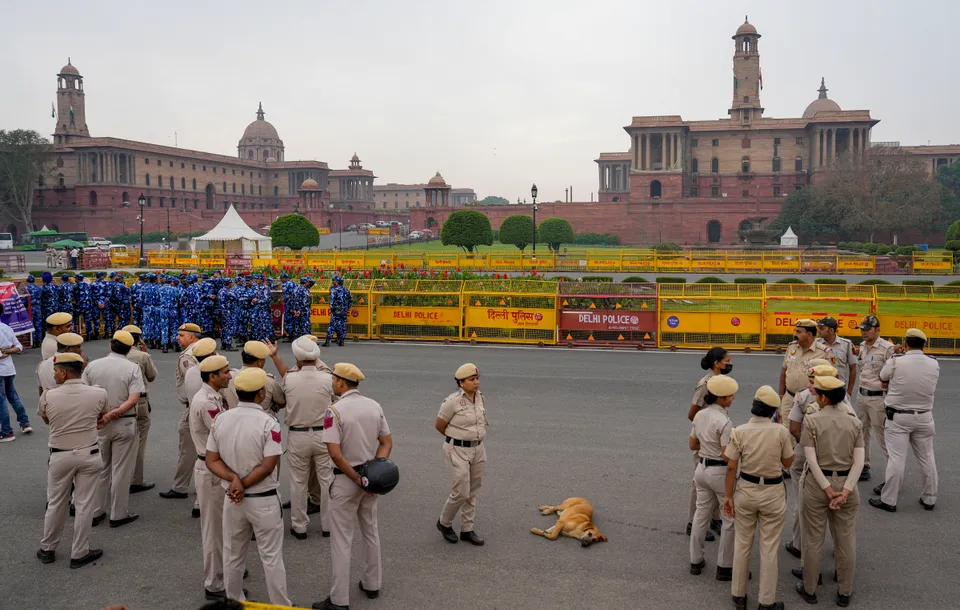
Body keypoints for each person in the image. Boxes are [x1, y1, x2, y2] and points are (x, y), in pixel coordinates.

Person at [205, 367, 291, 606]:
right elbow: (268, 465)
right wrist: (241, 483)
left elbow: (211, 460)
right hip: (262, 499)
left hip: (232, 499)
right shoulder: (269, 423)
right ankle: (280, 605)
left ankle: (234, 602)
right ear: (261, 392)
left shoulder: (221, 419)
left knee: (233, 554)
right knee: (271, 557)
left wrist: (233, 482)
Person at [315, 363, 392, 610]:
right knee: (370, 531)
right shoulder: (373, 405)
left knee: (341, 540)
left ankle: (339, 600)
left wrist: (358, 479)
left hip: (345, 479)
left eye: (334, 379)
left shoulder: (334, 411)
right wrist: (374, 473)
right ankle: (372, 584)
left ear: (340, 383)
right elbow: (386, 442)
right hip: (370, 478)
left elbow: (335, 454)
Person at [722, 386, 794, 610]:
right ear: (773, 411)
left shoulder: (739, 431)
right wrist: (779, 423)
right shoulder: (781, 431)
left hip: (746, 490)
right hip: (772, 492)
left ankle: (739, 595)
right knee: (769, 548)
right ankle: (766, 601)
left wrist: (727, 496)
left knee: (743, 544)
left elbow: (731, 466)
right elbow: (788, 463)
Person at [797, 376, 865, 607]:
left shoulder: (813, 420)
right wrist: (844, 491)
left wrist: (826, 489)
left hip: (818, 484)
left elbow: (811, 460)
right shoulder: (854, 422)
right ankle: (844, 592)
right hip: (846, 480)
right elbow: (859, 462)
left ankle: (810, 589)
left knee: (813, 539)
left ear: (824, 397)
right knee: (845, 539)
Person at [35, 352, 108, 568]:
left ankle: (48, 548)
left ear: (64, 372)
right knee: (84, 504)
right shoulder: (99, 393)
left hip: (60, 455)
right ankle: (80, 552)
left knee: (56, 502)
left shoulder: (48, 396)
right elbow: (100, 417)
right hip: (89, 453)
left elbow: (48, 420)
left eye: (56, 371)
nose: (54, 374)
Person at [785, 361, 852, 558]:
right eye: (810, 380)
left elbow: (794, 428)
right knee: (838, 508)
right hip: (835, 457)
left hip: (806, 455)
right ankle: (840, 551)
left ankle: (800, 545)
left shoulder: (802, 397)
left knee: (803, 500)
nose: (809, 385)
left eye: (813, 381)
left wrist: (807, 445)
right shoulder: (843, 399)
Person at [870, 328, 940, 512]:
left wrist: (895, 356)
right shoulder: (933, 363)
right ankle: (930, 498)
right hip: (924, 415)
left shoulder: (895, 361)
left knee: (896, 459)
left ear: (906, 343)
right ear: (923, 345)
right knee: (927, 458)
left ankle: (889, 499)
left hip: (899, 416)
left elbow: (882, 377)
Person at [84, 330, 145, 527]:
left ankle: (96, 511)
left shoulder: (93, 365)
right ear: (129, 349)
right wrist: (114, 412)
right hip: (124, 421)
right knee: (121, 470)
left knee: (100, 469)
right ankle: (118, 514)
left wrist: (104, 415)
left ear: (111, 345)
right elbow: (134, 398)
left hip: (99, 422)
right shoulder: (132, 367)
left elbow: (85, 393)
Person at [282, 336, 335, 539]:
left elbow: (281, 398)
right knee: (327, 481)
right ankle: (328, 526)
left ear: (297, 357)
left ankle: (299, 526)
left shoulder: (289, 378)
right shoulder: (328, 378)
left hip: (298, 435)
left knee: (298, 482)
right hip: (324, 434)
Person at [189, 354, 232, 600]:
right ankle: (215, 584)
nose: (229, 375)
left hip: (215, 467)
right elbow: (223, 433)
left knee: (224, 526)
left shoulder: (214, 396)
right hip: (211, 469)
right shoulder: (206, 402)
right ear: (212, 376)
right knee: (214, 530)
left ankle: (225, 571)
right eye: (225, 372)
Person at [689, 374, 736, 579]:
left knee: (701, 515)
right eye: (730, 396)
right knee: (729, 519)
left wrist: (707, 446)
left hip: (701, 468)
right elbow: (727, 455)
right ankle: (724, 567)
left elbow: (692, 444)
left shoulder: (700, 415)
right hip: (719, 471)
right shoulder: (725, 422)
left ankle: (695, 561)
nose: (732, 399)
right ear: (721, 398)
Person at [435, 363, 487, 546]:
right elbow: (439, 425)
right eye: (472, 380)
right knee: (461, 492)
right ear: (461, 382)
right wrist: (457, 440)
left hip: (478, 448)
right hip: (457, 449)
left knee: (472, 491)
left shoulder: (479, 397)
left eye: (477, 379)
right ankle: (444, 522)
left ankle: (467, 529)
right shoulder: (452, 402)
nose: (476, 382)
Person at [686, 347, 730, 541]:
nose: (729, 363)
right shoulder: (705, 384)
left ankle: (714, 519)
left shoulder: (721, 382)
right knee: (700, 484)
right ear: (716, 363)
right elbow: (692, 414)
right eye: (727, 360)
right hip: (705, 439)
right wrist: (707, 428)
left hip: (716, 435)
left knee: (714, 482)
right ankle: (692, 523)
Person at [161, 323, 202, 501]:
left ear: (192, 337)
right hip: (201, 405)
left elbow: (193, 383)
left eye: (182, 335)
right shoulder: (203, 350)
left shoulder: (188, 356)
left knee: (188, 448)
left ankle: (180, 487)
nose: (178, 338)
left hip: (193, 407)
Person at [855, 315, 895, 483]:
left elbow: (893, 375)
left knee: (883, 435)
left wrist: (890, 399)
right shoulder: (863, 346)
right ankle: (864, 465)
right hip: (862, 395)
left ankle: (892, 473)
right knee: (861, 432)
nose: (864, 332)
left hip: (878, 398)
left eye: (867, 329)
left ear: (877, 330)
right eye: (862, 329)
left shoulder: (887, 348)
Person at [779, 319, 834, 428]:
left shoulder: (823, 352)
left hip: (812, 400)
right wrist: (781, 395)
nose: (795, 335)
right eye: (796, 331)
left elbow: (831, 380)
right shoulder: (792, 348)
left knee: (811, 431)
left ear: (809, 334)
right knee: (787, 431)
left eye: (799, 332)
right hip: (789, 398)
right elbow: (784, 371)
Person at [123, 325, 158, 495]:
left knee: (120, 442)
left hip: (119, 402)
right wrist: (145, 352)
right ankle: (135, 479)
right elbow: (151, 376)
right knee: (139, 441)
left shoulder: (112, 357)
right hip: (140, 401)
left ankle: (118, 477)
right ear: (138, 339)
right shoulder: (142, 356)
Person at [0, 303, 31, 443]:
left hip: (1, 369)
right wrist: (8, 350)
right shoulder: (6, 328)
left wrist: (4, 352)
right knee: (12, 396)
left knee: (1, 401)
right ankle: (25, 423)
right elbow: (19, 346)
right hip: (9, 368)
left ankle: (7, 431)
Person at [36, 332, 86, 396]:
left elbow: (41, 392)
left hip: (49, 402)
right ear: (67, 349)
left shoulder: (41, 365)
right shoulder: (73, 365)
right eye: (78, 347)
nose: (80, 350)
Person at [816, 317, 856, 395]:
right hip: (820, 390)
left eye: (822, 328)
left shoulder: (846, 344)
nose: (818, 330)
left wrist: (849, 392)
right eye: (818, 328)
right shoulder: (816, 344)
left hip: (839, 389)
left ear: (831, 330)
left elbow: (853, 368)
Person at [323, 276, 352, 347]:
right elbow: (350, 299)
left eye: (333, 281)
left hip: (336, 310)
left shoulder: (333, 289)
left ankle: (328, 340)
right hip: (344, 310)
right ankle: (341, 340)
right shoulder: (346, 289)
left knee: (332, 325)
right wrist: (347, 307)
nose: (332, 282)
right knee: (343, 324)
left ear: (337, 282)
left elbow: (332, 300)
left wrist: (332, 308)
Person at [74, 274, 94, 340]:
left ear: (78, 279)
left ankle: (78, 334)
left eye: (75, 278)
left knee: (76, 320)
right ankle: (89, 335)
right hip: (87, 305)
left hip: (79, 305)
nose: (74, 279)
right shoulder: (87, 285)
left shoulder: (75, 286)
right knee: (88, 320)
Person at [26, 275, 44, 345]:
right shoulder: (39, 288)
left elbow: (24, 299)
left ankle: (32, 341)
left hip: (30, 308)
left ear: (27, 280)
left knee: (31, 325)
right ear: (34, 280)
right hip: (38, 307)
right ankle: (39, 340)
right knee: (38, 324)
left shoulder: (26, 288)